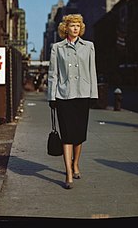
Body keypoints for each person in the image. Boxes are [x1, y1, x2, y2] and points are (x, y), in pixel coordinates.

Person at [47, 14, 98, 189]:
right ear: (65, 28)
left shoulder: (89, 46)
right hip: (64, 95)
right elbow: (53, 74)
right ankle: (68, 173)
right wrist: (51, 97)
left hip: (82, 95)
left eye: (78, 25)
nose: (75, 28)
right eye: (72, 25)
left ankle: (76, 163)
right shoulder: (57, 48)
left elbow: (92, 72)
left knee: (79, 135)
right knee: (67, 135)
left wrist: (93, 94)